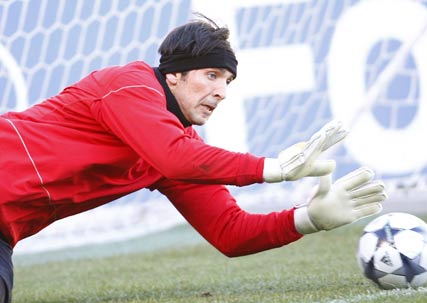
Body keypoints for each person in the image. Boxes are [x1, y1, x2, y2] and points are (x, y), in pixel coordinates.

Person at [0, 15, 386, 302]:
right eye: (212, 75)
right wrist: (273, 168)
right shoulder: (130, 85)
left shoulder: (176, 146)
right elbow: (176, 158)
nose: (221, 91)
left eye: (227, 81)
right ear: (174, 76)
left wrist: (309, 219)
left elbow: (231, 233)